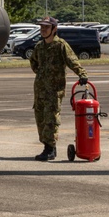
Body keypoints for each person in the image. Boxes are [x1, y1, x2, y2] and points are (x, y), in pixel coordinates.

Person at [29, 16, 89, 161]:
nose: (43, 30)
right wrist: (42, 75)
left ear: (54, 29)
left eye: (46, 27)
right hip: (40, 89)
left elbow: (72, 61)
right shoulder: (39, 46)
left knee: (51, 119)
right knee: (41, 119)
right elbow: (34, 63)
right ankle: (49, 147)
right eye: (42, 27)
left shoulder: (61, 45)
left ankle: (49, 148)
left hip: (54, 90)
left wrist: (82, 74)